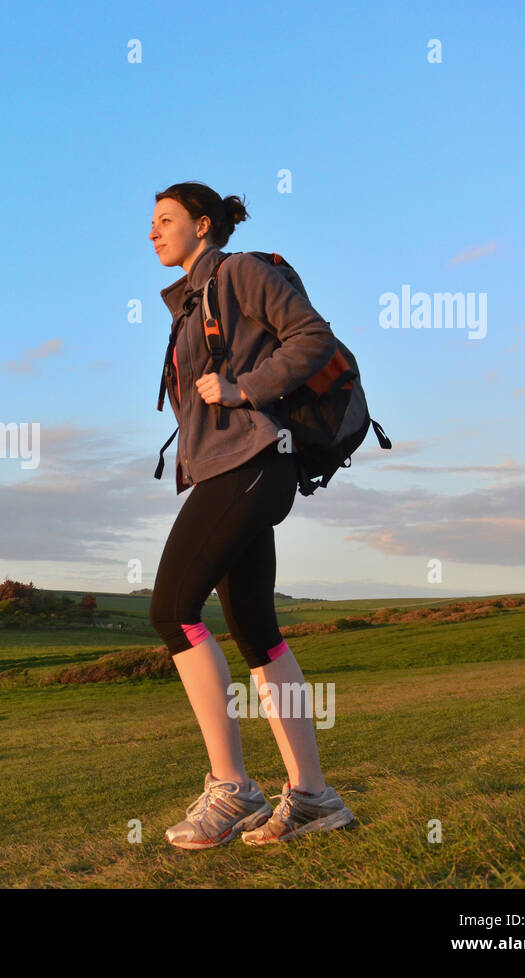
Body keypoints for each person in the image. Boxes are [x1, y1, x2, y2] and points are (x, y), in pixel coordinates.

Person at [148, 182, 356, 848]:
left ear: (202, 226)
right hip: (230, 468)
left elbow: (312, 338)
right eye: (150, 224)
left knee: (173, 609)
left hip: (254, 463)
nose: (152, 233)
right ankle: (313, 797)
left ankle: (232, 787)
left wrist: (244, 388)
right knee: (256, 631)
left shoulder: (239, 273)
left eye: (165, 221)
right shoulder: (189, 304)